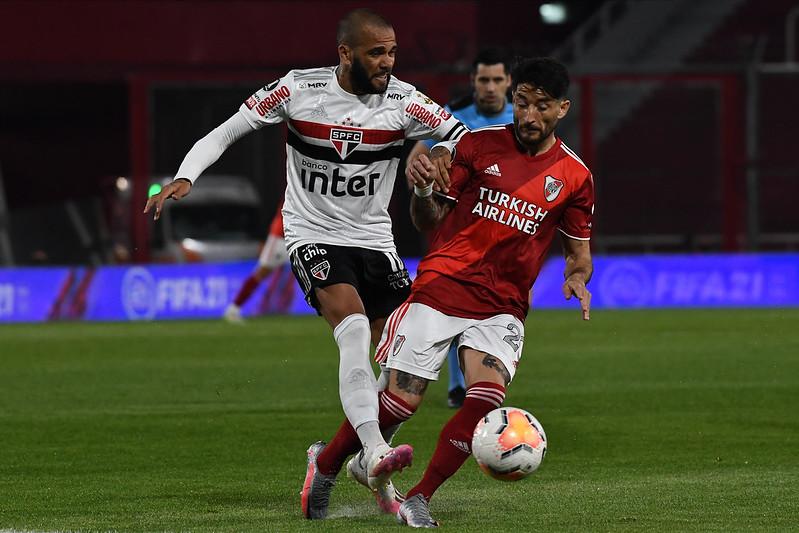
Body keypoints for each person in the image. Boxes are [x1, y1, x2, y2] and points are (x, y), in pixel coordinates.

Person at [142, 8, 467, 520]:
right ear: (345, 53)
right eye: (376, 53)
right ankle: (376, 452)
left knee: (407, 362)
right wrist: (185, 176)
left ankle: (342, 463)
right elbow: (228, 131)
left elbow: (460, 134)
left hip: (375, 242)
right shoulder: (297, 90)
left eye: (392, 53)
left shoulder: (404, 99)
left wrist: (433, 151)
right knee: (354, 329)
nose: (387, 62)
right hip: (312, 234)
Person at [313, 57, 593, 527]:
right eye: (521, 103)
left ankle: (420, 497)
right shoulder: (475, 147)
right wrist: (422, 193)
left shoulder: (575, 176)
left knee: (484, 399)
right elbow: (428, 222)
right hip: (442, 288)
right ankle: (325, 464)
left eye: (540, 107)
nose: (527, 116)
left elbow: (579, 251)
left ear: (561, 109)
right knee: (401, 402)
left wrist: (578, 276)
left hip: (503, 305)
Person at [405, 47, 513, 409]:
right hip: (456, 230)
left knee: (493, 312)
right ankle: (459, 385)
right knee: (454, 307)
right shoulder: (453, 116)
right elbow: (416, 155)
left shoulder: (521, 119)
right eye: (484, 79)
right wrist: (426, 175)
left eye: (498, 79)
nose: (491, 87)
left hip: (504, 230)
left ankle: (479, 382)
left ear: (509, 83)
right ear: (473, 82)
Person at [223, 202, 288, 323]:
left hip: (300, 237)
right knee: (261, 273)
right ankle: (234, 308)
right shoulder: (297, 185)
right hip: (280, 238)